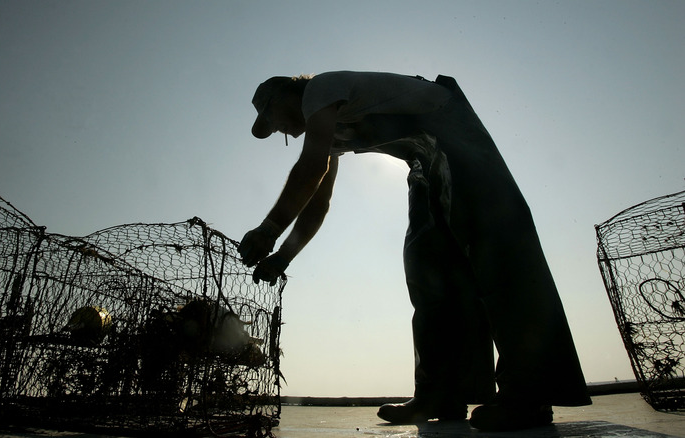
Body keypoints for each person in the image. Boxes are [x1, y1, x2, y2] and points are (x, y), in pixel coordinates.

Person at [237, 71, 591, 431]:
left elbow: (310, 166)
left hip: (457, 143)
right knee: (428, 272)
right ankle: (439, 394)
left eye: (274, 119)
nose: (283, 131)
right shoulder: (329, 138)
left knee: (498, 255)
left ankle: (530, 393)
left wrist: (269, 230)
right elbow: (318, 202)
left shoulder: (319, 89)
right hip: (424, 164)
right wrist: (283, 257)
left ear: (286, 94)